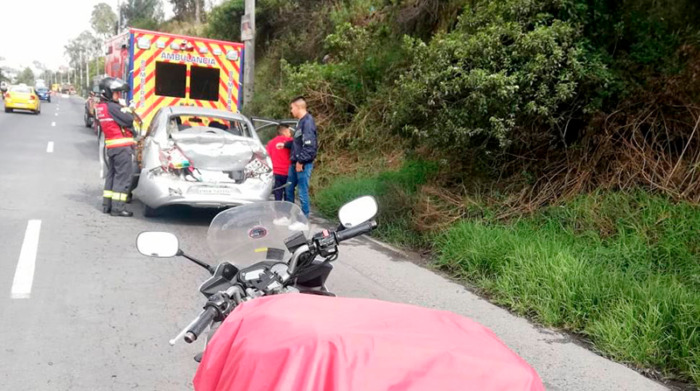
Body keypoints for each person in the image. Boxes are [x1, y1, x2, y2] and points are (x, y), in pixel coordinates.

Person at [96, 77, 136, 217]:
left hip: (112, 147)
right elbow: (129, 120)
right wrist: (126, 108)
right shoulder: (113, 107)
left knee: (111, 176)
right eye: (116, 93)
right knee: (122, 178)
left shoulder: (102, 107)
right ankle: (118, 208)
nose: (119, 95)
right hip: (122, 148)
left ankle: (107, 205)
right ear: (107, 92)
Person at [282, 97, 317, 217]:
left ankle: (305, 217)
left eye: (292, 108)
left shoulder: (308, 122)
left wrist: (301, 162)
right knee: (289, 189)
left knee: (302, 192)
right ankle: (288, 216)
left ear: (298, 107)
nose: (291, 111)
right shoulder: (300, 122)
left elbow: (309, 146)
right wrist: (285, 144)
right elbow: (298, 142)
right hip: (295, 162)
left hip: (302, 164)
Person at [266, 125, 294, 201]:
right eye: (289, 131)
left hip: (276, 173)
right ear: (284, 132)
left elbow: (266, 157)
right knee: (288, 194)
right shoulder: (290, 141)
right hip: (287, 173)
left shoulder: (271, 143)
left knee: (277, 194)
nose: (290, 133)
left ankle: (277, 211)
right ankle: (286, 211)